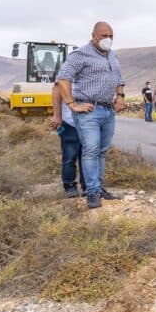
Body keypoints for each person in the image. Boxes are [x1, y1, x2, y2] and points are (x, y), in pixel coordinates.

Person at [56, 21, 125, 209]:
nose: (108, 39)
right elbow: (63, 79)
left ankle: (99, 188)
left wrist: (120, 95)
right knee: (90, 150)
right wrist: (72, 104)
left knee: (102, 151)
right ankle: (91, 192)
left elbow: (119, 78)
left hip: (107, 110)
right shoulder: (81, 54)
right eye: (104, 35)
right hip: (89, 111)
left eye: (111, 35)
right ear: (94, 35)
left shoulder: (112, 55)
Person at [49, 84, 86, 198]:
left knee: (87, 156)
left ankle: (88, 186)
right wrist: (56, 116)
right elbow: (56, 89)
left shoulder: (89, 75)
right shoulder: (67, 74)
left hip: (88, 124)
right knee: (70, 156)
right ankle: (70, 186)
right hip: (68, 122)